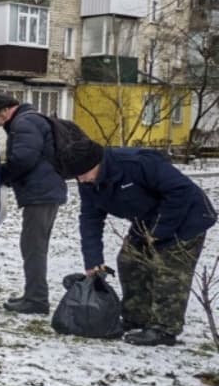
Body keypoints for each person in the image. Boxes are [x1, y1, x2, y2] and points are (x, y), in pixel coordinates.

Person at [60, 141, 216, 346]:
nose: (81, 180)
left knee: (169, 273)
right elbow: (90, 218)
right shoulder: (87, 180)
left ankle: (164, 328)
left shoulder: (136, 164)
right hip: (145, 221)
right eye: (77, 177)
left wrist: (158, 232)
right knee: (129, 261)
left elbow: (181, 191)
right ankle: (135, 317)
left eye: (84, 174)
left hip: (187, 218)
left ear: (98, 163)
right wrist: (93, 260)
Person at [0, 93, 67, 314]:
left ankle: (36, 299)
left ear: (4, 110)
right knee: (35, 245)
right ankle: (35, 295)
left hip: (40, 193)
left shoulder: (23, 123)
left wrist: (1, 175)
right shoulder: (31, 119)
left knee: (33, 246)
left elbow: (23, 159)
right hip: (47, 190)